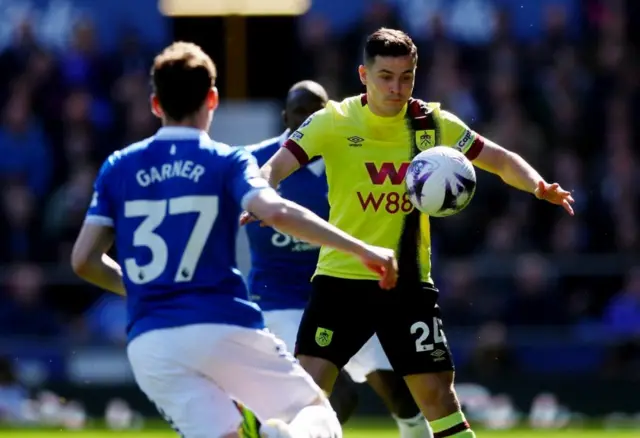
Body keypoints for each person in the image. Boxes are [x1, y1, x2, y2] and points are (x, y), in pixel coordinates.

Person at [241, 28, 574, 438]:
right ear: (364, 74)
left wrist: (538, 184)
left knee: (436, 396)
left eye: (407, 77)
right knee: (306, 394)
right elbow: (277, 165)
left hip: (407, 285)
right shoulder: (333, 121)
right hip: (341, 281)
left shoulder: (431, 124)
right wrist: (261, 194)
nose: (397, 88)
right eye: (386, 76)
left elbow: (500, 159)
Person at [70, 41, 398, 438]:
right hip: (221, 324)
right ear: (212, 99)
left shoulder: (117, 166)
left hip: (150, 342)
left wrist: (145, 290)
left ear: (156, 104)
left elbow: (84, 260)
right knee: (319, 417)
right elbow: (277, 212)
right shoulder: (226, 160)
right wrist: (363, 250)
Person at [239, 80, 431, 438]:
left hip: (346, 292)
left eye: (317, 111)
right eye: (300, 111)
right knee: (335, 394)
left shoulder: (353, 155)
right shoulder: (254, 161)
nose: (309, 118)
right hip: (282, 301)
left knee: (402, 397)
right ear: (285, 117)